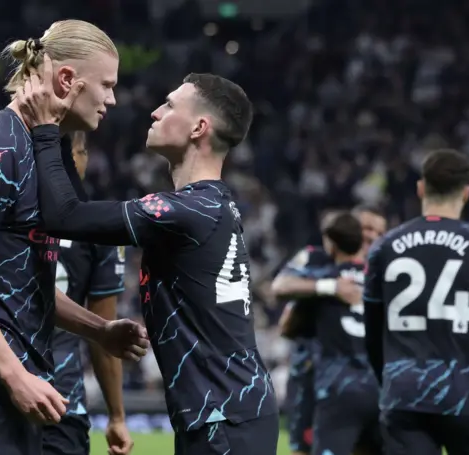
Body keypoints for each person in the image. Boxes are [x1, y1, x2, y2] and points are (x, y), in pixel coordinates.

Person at [17, 60, 279, 455]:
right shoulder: (212, 205)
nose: (156, 112)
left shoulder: (183, 212)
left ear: (198, 128)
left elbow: (64, 216)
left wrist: (46, 129)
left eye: (170, 106)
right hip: (227, 413)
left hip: (222, 420)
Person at [0, 20, 148, 455]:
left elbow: (22, 287)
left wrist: (99, 330)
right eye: (106, 85)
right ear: (67, 80)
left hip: (12, 388)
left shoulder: (40, 150)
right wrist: (14, 375)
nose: (112, 99)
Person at [364, 149, 469, 455]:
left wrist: (388, 378)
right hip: (466, 393)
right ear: (466, 193)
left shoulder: (383, 248)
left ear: (420, 188)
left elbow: (372, 331)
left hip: (404, 392)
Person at [43, 132, 132, 455]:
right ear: (77, 156)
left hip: (1, 392)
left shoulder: (10, 215)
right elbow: (103, 330)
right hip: (61, 399)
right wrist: (117, 416)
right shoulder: (100, 225)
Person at [271, 206, 386, 455]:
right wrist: (330, 287)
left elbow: (287, 325)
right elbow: (280, 286)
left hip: (344, 379)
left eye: (380, 232)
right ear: (353, 228)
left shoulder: (380, 270)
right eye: (368, 228)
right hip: (311, 376)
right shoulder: (315, 259)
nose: (373, 236)